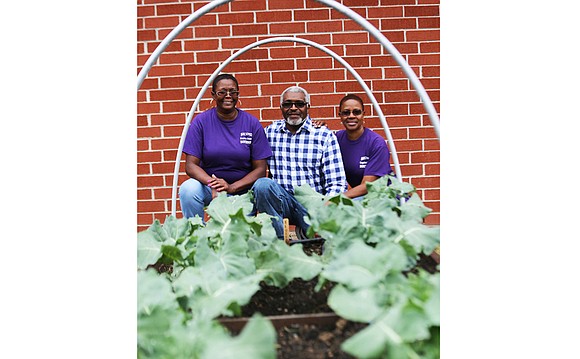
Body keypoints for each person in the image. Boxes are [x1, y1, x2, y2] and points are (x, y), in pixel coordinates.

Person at [251, 86, 347, 239]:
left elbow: (337, 184)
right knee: (263, 185)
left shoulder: (323, 136)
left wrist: (324, 213)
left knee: (325, 240)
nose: (293, 108)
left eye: (299, 104)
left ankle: (308, 230)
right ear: (281, 107)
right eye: (288, 104)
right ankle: (278, 243)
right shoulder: (269, 133)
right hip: (283, 202)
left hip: (313, 206)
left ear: (308, 106)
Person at [179, 73, 272, 219]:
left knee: (239, 236)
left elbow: (260, 170)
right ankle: (195, 234)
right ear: (214, 95)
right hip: (210, 189)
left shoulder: (251, 123)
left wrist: (232, 187)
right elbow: (190, 166)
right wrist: (215, 185)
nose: (228, 96)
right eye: (222, 92)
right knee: (188, 189)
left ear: (238, 94)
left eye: (233, 92)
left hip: (242, 191)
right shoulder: (201, 122)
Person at [335, 94, 393, 199]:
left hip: (386, 198)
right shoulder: (337, 139)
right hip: (363, 198)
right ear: (340, 115)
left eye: (356, 112)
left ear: (363, 115)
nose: (351, 116)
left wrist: (336, 199)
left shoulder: (376, 143)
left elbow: (367, 186)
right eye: (346, 112)